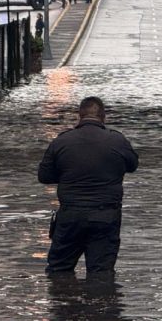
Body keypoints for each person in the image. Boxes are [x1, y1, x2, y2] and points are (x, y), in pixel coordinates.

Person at [38, 96, 139, 275]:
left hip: (70, 215)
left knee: (59, 270)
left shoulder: (61, 141)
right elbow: (132, 166)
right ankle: (99, 293)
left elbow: (44, 176)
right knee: (101, 273)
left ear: (80, 115)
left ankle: (61, 293)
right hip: (105, 215)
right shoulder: (118, 140)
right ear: (103, 116)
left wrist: (69, 174)